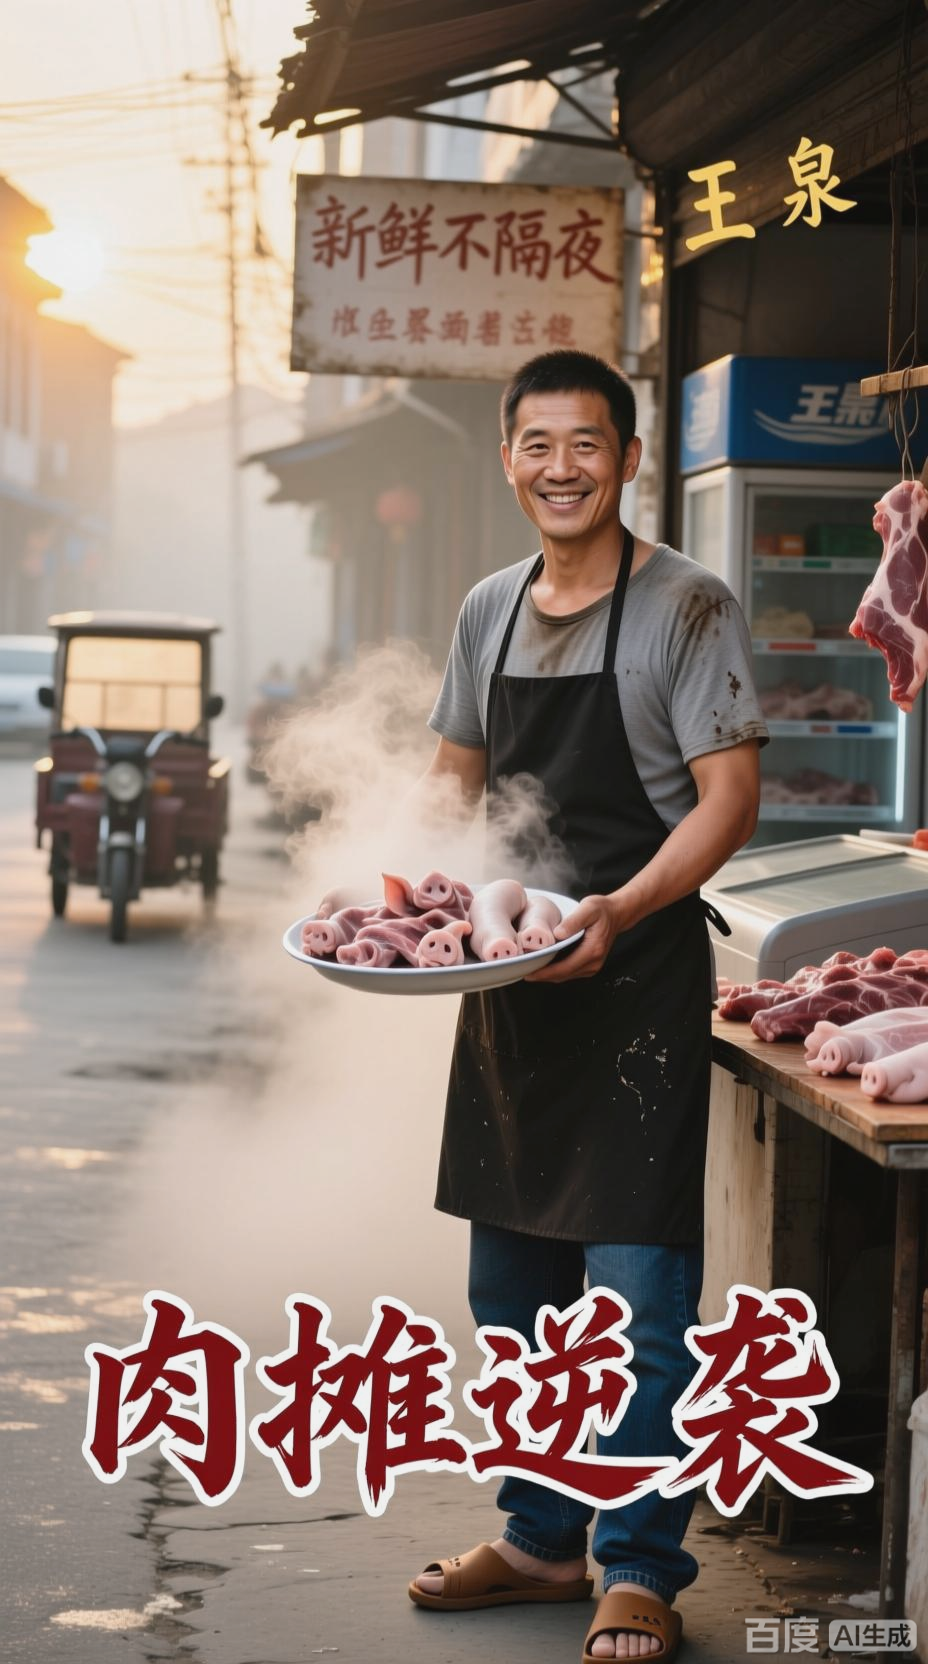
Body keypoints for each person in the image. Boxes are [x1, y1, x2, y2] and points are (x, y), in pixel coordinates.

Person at [408, 350, 767, 1663]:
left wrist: (615, 908)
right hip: (511, 991)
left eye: (586, 444)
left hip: (637, 984)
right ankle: (544, 1536)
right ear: (509, 458)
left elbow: (731, 800)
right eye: (537, 445)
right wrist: (410, 902)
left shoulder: (687, 604)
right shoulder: (489, 609)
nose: (561, 468)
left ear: (627, 457)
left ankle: (640, 1562)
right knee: (512, 1298)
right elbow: (454, 786)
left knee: (634, 1303)